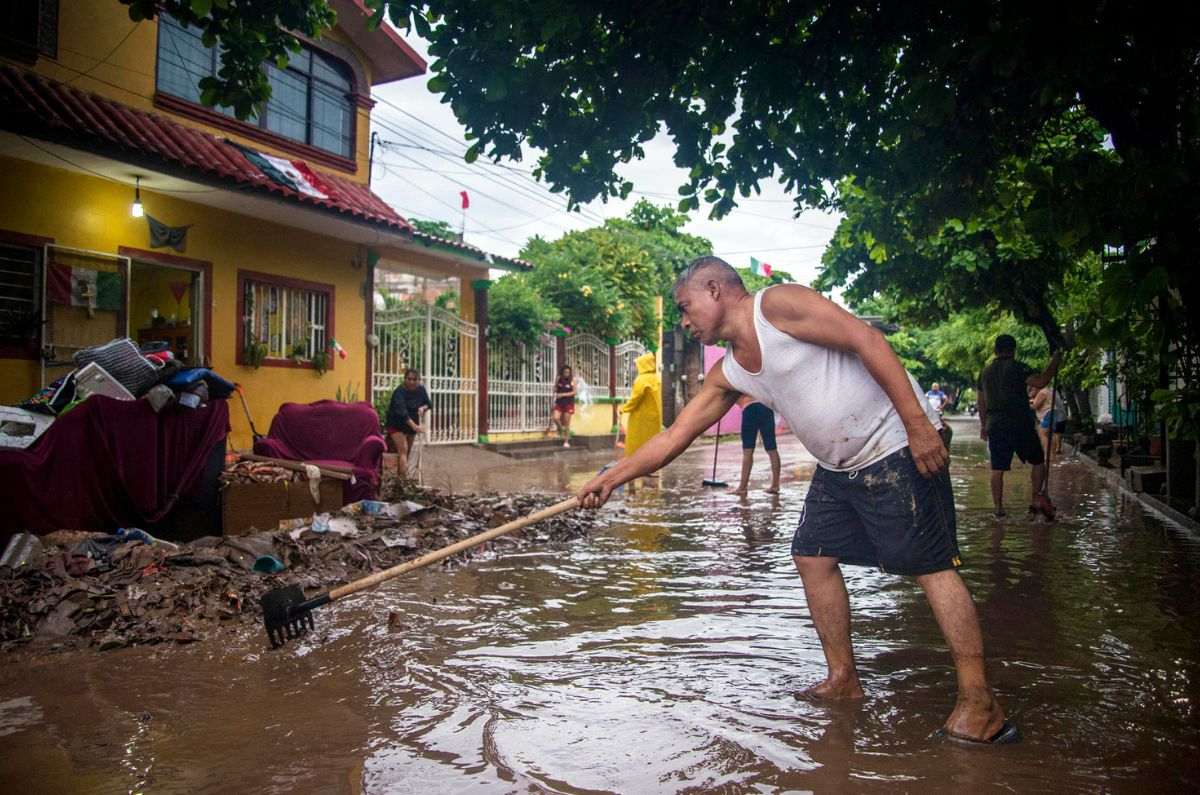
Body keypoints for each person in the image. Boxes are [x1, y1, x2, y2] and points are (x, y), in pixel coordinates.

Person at [578, 256, 1016, 745]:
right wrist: (613, 477)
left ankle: (981, 703)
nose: (683, 321)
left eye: (685, 307)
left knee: (929, 564)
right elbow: (675, 435)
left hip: (894, 442)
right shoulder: (730, 374)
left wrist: (917, 424)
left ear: (715, 290)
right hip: (838, 470)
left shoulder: (777, 306)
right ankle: (843, 679)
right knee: (811, 554)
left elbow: (867, 340)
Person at [977, 335, 1061, 519]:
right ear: (1014, 350)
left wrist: (984, 426)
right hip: (1020, 423)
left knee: (997, 468)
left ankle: (998, 509)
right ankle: (1034, 501)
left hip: (995, 424)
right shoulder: (1018, 367)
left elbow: (980, 402)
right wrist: (1055, 360)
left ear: (995, 350)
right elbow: (1041, 381)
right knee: (1038, 461)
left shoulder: (985, 372)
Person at [731, 393, 781, 495]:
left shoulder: (742, 378)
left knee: (748, 450)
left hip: (749, 408)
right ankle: (775, 485)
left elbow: (733, 396)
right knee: (772, 449)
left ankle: (742, 487)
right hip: (766, 408)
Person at [385, 368, 431, 479]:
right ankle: (403, 482)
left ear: (419, 380)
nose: (411, 382)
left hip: (411, 426)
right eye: (409, 379)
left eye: (414, 379)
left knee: (407, 453)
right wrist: (415, 427)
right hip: (396, 424)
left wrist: (422, 407)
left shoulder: (421, 390)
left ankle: (400, 477)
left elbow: (429, 403)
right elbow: (402, 413)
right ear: (404, 379)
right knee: (403, 450)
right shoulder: (399, 392)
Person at [1031, 384, 1067, 456]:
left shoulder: (1042, 393)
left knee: (1043, 434)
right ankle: (1052, 452)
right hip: (1056, 414)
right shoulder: (1050, 390)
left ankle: (1048, 454)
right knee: (1051, 434)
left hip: (1048, 414)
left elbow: (1035, 406)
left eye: (1032, 388)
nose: (1031, 389)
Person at [551, 365, 578, 447]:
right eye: (565, 372)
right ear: (562, 372)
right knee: (555, 418)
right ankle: (561, 430)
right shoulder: (559, 378)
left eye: (568, 372)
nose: (567, 373)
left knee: (566, 423)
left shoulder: (572, 380)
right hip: (559, 402)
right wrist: (555, 388)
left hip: (568, 403)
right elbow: (555, 388)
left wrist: (563, 395)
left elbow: (574, 392)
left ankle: (566, 441)